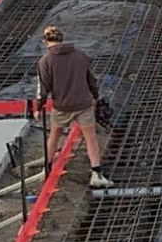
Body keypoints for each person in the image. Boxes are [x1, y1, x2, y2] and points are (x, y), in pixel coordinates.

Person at [36, 25, 113, 189]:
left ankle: (47, 168)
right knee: (90, 138)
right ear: (62, 39)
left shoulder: (45, 61)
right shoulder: (80, 55)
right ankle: (96, 174)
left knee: (54, 136)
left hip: (61, 105)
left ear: (46, 41)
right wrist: (95, 96)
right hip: (83, 104)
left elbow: (43, 88)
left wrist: (38, 107)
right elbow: (91, 79)